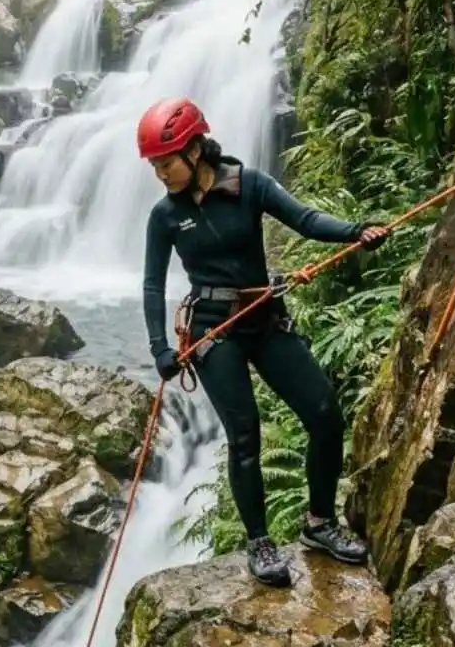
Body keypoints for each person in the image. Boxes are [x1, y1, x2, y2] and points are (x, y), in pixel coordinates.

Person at [139, 97, 389, 589]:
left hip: (265, 318)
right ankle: (260, 542)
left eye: (165, 163)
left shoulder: (248, 184)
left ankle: (319, 524)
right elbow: (152, 284)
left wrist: (356, 233)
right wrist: (159, 348)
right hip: (214, 332)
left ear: (194, 151)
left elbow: (305, 219)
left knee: (324, 413)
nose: (160, 174)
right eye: (154, 166)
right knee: (245, 435)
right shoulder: (165, 216)